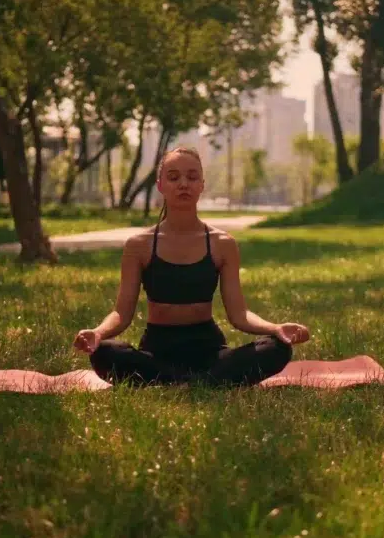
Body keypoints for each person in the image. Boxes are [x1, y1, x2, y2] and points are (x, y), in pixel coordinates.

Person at [72, 147, 310, 387]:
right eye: (174, 177)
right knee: (103, 352)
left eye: (192, 177)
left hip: (209, 351)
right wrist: (98, 333)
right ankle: (202, 383)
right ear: (160, 185)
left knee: (277, 348)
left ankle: (180, 383)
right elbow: (121, 314)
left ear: (202, 185)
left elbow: (239, 315)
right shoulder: (139, 245)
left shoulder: (223, 244)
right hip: (157, 352)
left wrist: (276, 328)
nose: (183, 183)